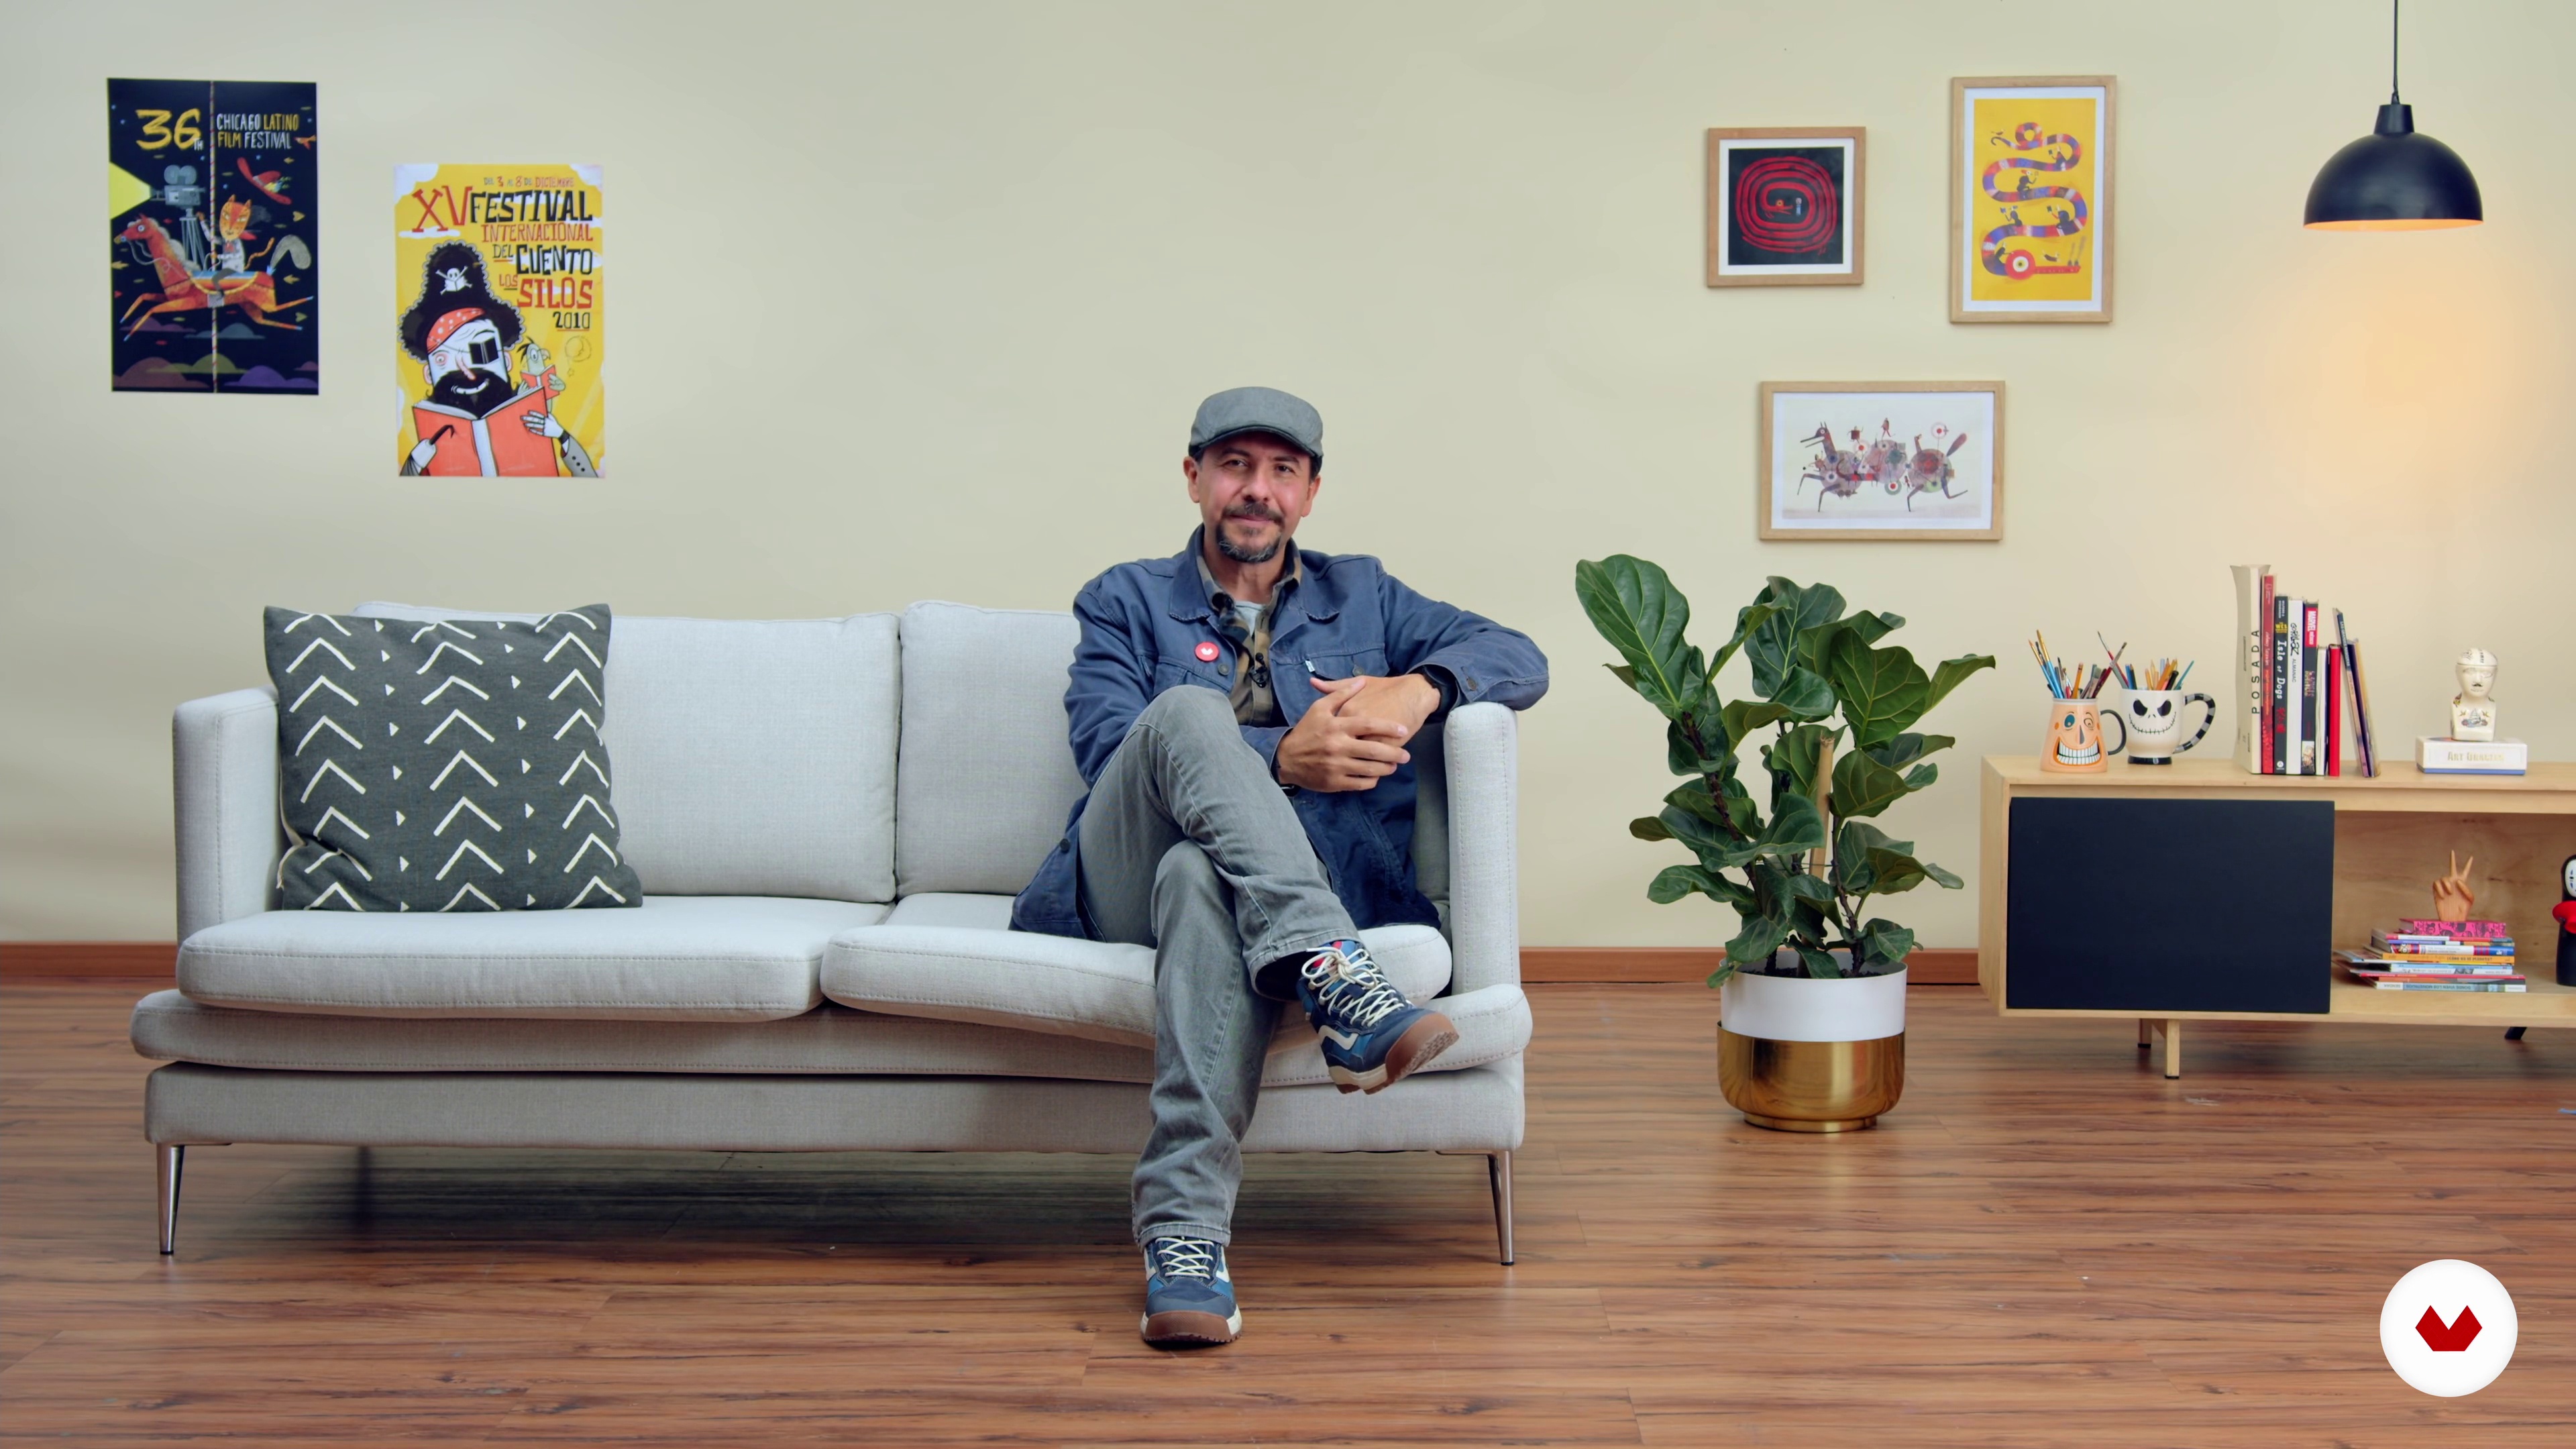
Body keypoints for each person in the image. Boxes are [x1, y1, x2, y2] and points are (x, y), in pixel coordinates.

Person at [1011, 386, 1548, 1348]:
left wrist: (1422, 685)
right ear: (1194, 479)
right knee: (1183, 713)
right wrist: (1281, 759)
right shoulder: (1125, 599)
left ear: (1309, 493)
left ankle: (1184, 1238)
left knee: (1198, 876)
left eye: (1282, 471)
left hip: (1238, 882)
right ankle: (1341, 977)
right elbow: (1107, 752)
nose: (1256, 489)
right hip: (1121, 876)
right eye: (1234, 466)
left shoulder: (1367, 596)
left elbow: (1520, 656)